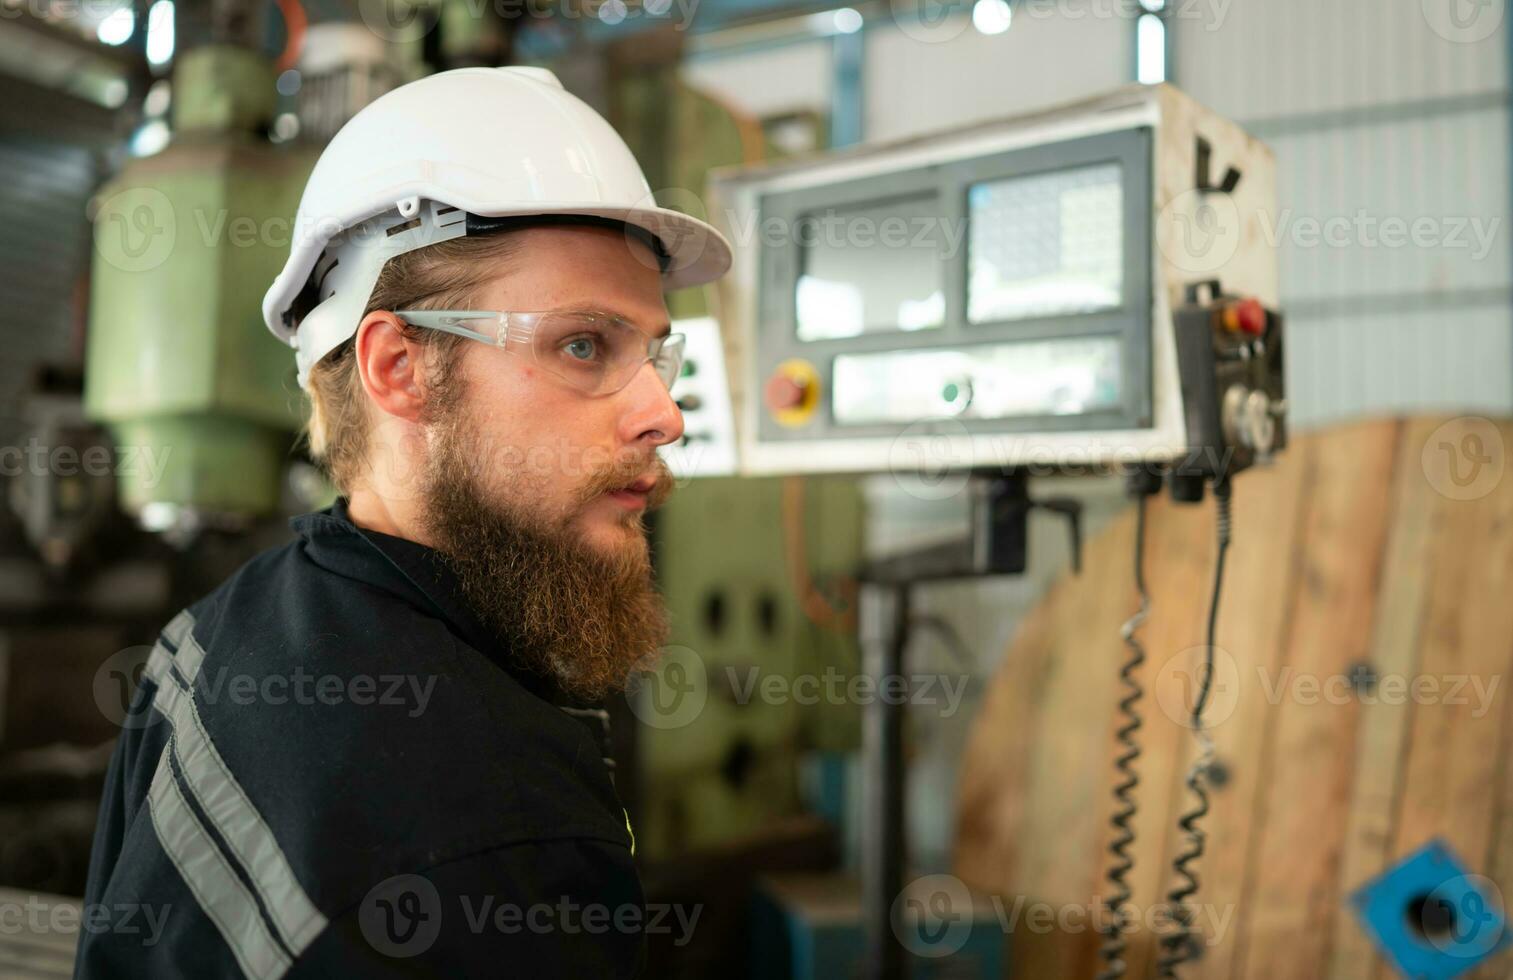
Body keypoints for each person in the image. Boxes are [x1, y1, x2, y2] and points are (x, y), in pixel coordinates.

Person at [75, 65, 730, 978]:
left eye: (653, 352)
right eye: (584, 344)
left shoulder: (216, 633)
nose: (665, 412)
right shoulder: (489, 839)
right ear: (398, 369)